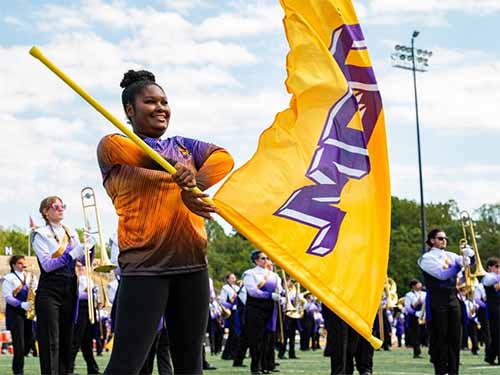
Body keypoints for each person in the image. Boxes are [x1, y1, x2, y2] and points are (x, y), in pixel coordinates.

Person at [97, 69, 234, 375]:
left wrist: (194, 182)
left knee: (190, 367)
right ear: (130, 110)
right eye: (150, 101)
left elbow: (224, 157)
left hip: (193, 266)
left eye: (164, 101)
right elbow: (143, 156)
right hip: (145, 269)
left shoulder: (185, 145)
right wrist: (177, 171)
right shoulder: (112, 146)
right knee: (125, 366)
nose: (161, 107)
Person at [32, 196, 92, 375]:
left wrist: (90, 248)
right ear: (45, 211)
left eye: (62, 206)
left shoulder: (70, 231)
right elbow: (47, 265)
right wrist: (72, 254)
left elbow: (82, 260)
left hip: (70, 286)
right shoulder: (39, 233)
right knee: (51, 340)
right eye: (56, 206)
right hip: (50, 288)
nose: (61, 209)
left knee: (67, 339)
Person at [418, 228, 475, 375]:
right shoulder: (426, 258)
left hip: (452, 296)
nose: (444, 241)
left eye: (445, 238)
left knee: (455, 336)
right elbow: (442, 275)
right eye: (441, 238)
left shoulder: (450, 255)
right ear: (432, 240)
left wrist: (471, 255)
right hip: (437, 298)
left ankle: (454, 371)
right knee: (440, 336)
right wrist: (460, 264)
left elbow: (467, 264)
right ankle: (441, 370)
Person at [242, 250, 282, 374]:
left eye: (267, 258)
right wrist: (271, 295)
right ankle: (255, 367)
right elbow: (253, 292)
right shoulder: (249, 274)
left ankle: (265, 366)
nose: (266, 261)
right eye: (263, 258)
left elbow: (280, 290)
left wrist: (282, 297)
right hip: (255, 309)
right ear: (256, 260)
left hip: (270, 309)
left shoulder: (274, 275)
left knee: (267, 339)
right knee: (256, 340)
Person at [2, 255, 37, 375]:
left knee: (30, 339)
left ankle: (20, 361)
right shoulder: (9, 278)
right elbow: (8, 297)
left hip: (28, 312)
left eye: (24, 263)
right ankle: (18, 370)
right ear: (14, 265)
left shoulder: (30, 276)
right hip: (15, 313)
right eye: (20, 263)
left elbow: (35, 291)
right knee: (19, 343)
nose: (24, 265)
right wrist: (21, 304)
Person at [68, 261, 100, 374]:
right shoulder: (74, 279)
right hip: (79, 309)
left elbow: (94, 295)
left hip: (89, 309)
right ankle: (69, 368)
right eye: (78, 266)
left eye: (83, 266)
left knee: (87, 341)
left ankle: (92, 368)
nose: (81, 268)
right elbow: (74, 295)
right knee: (76, 340)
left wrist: (95, 296)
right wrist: (87, 294)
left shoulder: (89, 279)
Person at [482, 256, 500, 365]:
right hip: (494, 307)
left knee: (497, 333)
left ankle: (490, 356)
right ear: (489, 268)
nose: (499, 269)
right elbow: (492, 282)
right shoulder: (487, 277)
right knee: (497, 332)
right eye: (496, 266)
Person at [220, 272, 240, 360]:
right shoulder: (226, 288)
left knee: (236, 333)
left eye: (234, 277)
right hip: (231, 313)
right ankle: (228, 353)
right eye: (231, 278)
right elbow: (222, 301)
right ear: (227, 279)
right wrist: (231, 305)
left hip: (237, 312)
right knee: (233, 333)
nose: (233, 279)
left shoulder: (237, 287)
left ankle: (232, 353)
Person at [404, 279, 426, 358]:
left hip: (424, 315)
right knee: (415, 334)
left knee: (424, 334)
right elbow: (407, 307)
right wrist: (416, 312)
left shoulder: (424, 293)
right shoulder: (409, 295)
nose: (420, 284)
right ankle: (417, 352)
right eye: (418, 283)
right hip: (414, 316)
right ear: (413, 286)